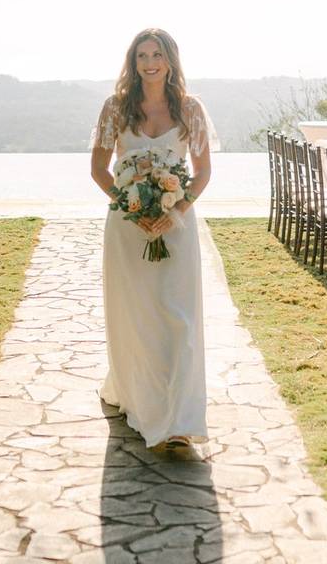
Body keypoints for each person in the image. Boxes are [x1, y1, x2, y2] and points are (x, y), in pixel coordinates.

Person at [90, 28, 215, 449]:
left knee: (178, 319)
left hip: (176, 229)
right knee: (138, 317)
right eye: (142, 54)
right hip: (129, 230)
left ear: (170, 60)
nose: (149, 62)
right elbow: (99, 170)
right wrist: (133, 208)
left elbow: (202, 173)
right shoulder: (115, 109)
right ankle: (142, 402)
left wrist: (174, 211)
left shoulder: (190, 110)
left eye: (157, 53)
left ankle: (179, 419)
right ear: (133, 61)